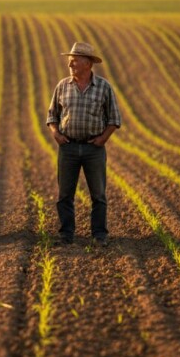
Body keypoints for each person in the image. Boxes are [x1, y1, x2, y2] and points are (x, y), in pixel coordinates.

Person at [46, 42, 121, 246]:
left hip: (93, 149)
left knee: (98, 194)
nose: (70, 63)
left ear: (88, 63)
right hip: (68, 147)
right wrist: (56, 134)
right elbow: (52, 115)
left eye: (75, 59)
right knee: (65, 195)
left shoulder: (104, 87)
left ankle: (99, 235)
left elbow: (114, 118)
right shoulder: (62, 86)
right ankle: (66, 235)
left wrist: (102, 139)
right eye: (70, 59)